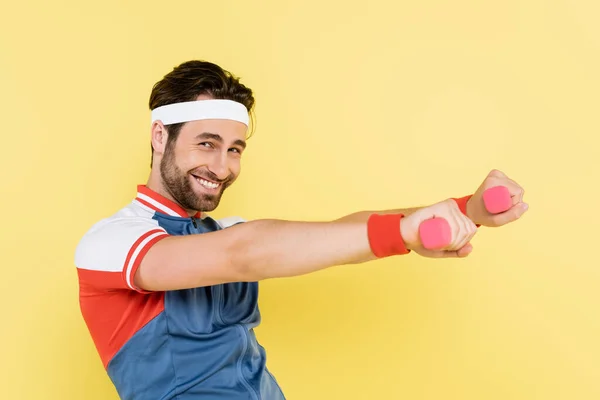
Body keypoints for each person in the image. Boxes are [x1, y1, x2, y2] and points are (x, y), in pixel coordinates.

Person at [74, 60, 529, 400]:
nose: (222, 166)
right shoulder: (111, 243)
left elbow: (339, 231)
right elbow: (244, 253)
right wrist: (404, 233)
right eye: (206, 144)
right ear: (160, 137)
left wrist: (464, 209)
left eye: (235, 149)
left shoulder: (220, 230)